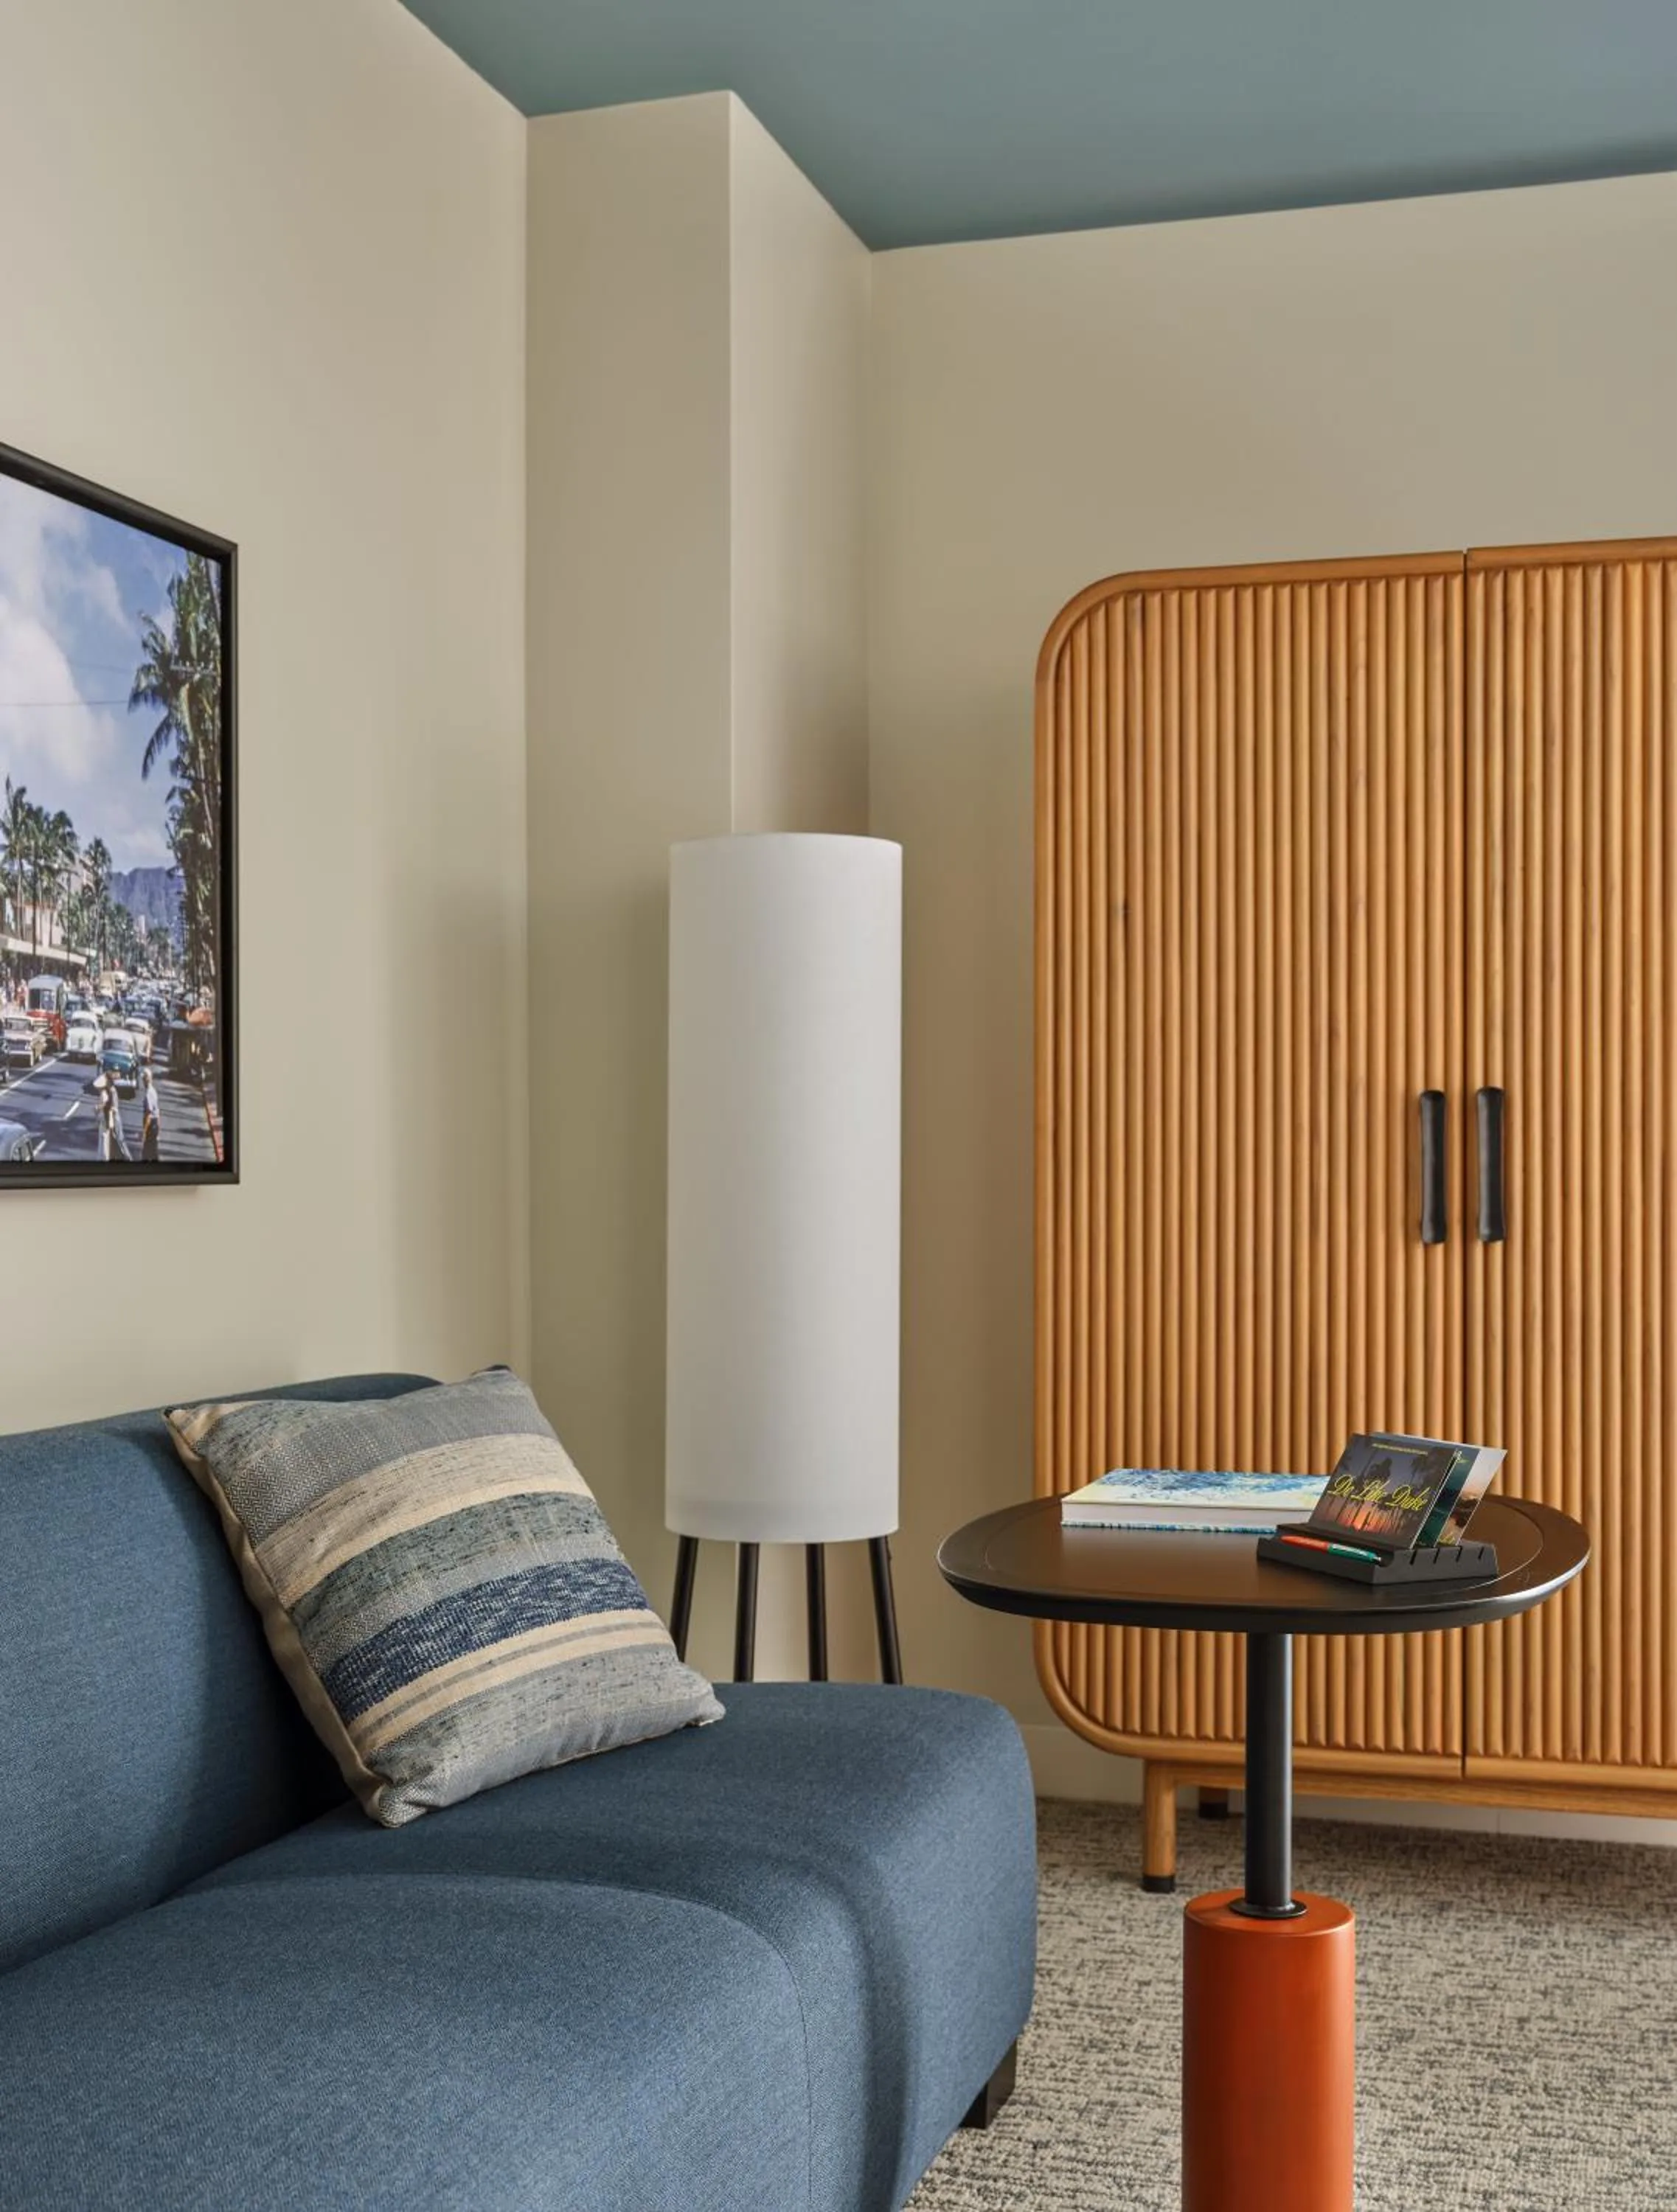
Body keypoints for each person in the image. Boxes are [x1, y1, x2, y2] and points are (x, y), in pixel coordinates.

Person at [94, 1070, 131, 1163]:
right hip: (110, 1118)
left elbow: (114, 1108)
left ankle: (128, 1158)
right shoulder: (108, 1091)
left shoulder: (113, 1091)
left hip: (115, 1118)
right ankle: (116, 1157)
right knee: (113, 1140)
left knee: (120, 1139)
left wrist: (102, 1106)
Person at [139, 1069, 161, 1163]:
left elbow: (148, 1114)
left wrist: (144, 1132)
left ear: (146, 1079)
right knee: (153, 1152)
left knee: (146, 1154)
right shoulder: (153, 1091)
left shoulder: (149, 1094)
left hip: (151, 1126)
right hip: (155, 1124)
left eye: (143, 1079)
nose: (142, 1081)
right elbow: (158, 1112)